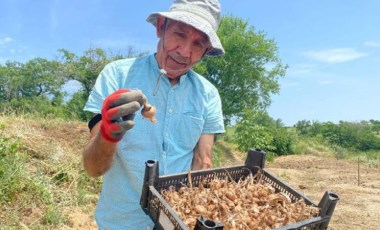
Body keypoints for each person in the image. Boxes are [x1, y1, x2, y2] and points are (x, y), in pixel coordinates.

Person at [82, 0, 225, 229]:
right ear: (161, 26)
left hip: (176, 222)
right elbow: (93, 168)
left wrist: (193, 214)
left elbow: (203, 161)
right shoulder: (117, 75)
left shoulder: (208, 94)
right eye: (179, 33)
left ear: (207, 51)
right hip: (122, 222)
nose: (185, 52)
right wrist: (109, 133)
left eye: (198, 44)